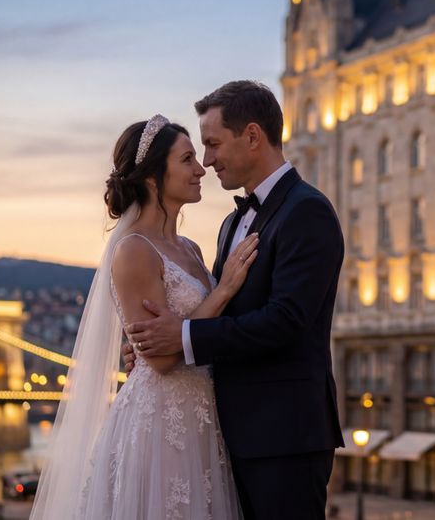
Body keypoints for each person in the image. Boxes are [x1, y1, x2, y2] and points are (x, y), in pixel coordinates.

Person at [124, 80, 345, 520]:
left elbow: (286, 321)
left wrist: (182, 338)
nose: (207, 161)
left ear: (252, 136)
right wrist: (152, 346)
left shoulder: (308, 211)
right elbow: (221, 309)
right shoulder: (230, 224)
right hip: (224, 438)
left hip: (284, 438)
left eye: (212, 144)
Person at [31, 114, 256, 520]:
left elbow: (190, 331)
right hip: (160, 426)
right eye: (187, 159)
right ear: (153, 177)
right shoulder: (134, 250)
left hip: (204, 420)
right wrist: (223, 289)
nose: (200, 169)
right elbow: (163, 358)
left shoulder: (191, 249)